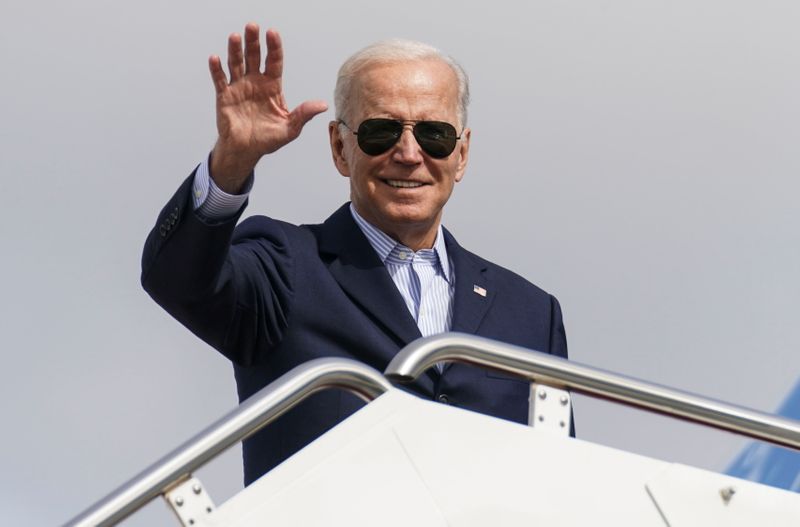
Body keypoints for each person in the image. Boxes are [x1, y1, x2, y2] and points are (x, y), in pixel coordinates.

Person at [142, 23, 568, 485]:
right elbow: (177, 280)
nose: (408, 153)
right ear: (339, 147)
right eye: (381, 132)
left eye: (435, 135)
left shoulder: (531, 313)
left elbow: (559, 480)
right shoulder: (285, 267)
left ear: (461, 154)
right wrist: (230, 163)